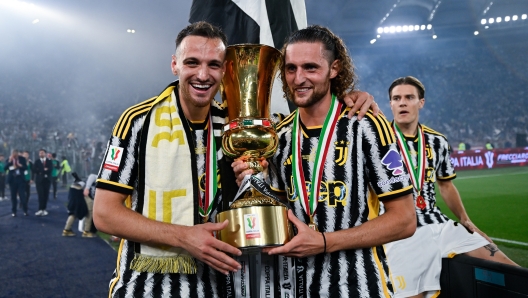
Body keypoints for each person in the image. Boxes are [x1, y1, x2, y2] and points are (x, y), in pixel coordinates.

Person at [94, 21, 377, 298]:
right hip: (147, 286)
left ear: (225, 70)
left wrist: (349, 97)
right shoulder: (138, 122)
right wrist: (184, 237)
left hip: (220, 285)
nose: (203, 75)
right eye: (192, 62)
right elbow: (105, 214)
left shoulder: (237, 123)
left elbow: (309, 118)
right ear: (175, 65)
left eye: (214, 65)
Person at [233, 25, 416, 297]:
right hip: (295, 287)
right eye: (291, 68)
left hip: (359, 286)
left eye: (310, 67)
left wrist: (323, 241)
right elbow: (282, 218)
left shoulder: (367, 127)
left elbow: (404, 220)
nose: (298, 78)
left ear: (334, 69)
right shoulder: (278, 137)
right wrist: (252, 182)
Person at [385, 76, 518, 298]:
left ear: (421, 102)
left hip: (439, 225)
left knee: (509, 269)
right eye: (396, 98)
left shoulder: (438, 141)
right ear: (390, 104)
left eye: (409, 97)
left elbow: (445, 185)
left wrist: (466, 220)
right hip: (400, 228)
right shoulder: (375, 139)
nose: (402, 103)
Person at [62, 173, 97, 237]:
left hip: (74, 189)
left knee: (75, 211)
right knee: (90, 211)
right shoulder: (100, 178)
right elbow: (92, 176)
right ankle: (86, 232)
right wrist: (87, 188)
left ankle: (66, 230)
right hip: (80, 190)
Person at [6, 149, 27, 216]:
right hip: (12, 180)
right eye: (13, 154)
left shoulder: (22, 159)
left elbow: (25, 167)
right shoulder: (9, 159)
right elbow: (5, 168)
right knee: (13, 197)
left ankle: (25, 210)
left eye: (15, 154)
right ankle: (14, 211)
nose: (14, 155)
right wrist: (10, 162)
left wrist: (20, 165)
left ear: (18, 154)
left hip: (20, 179)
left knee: (22, 196)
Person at [33, 149, 53, 216]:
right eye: (40, 153)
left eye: (42, 153)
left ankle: (44, 209)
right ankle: (40, 209)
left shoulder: (49, 161)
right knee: (40, 195)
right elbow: (35, 170)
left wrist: (41, 170)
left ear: (45, 153)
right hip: (39, 181)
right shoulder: (37, 161)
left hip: (47, 180)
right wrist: (43, 170)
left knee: (46, 195)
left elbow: (50, 169)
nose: (41, 154)